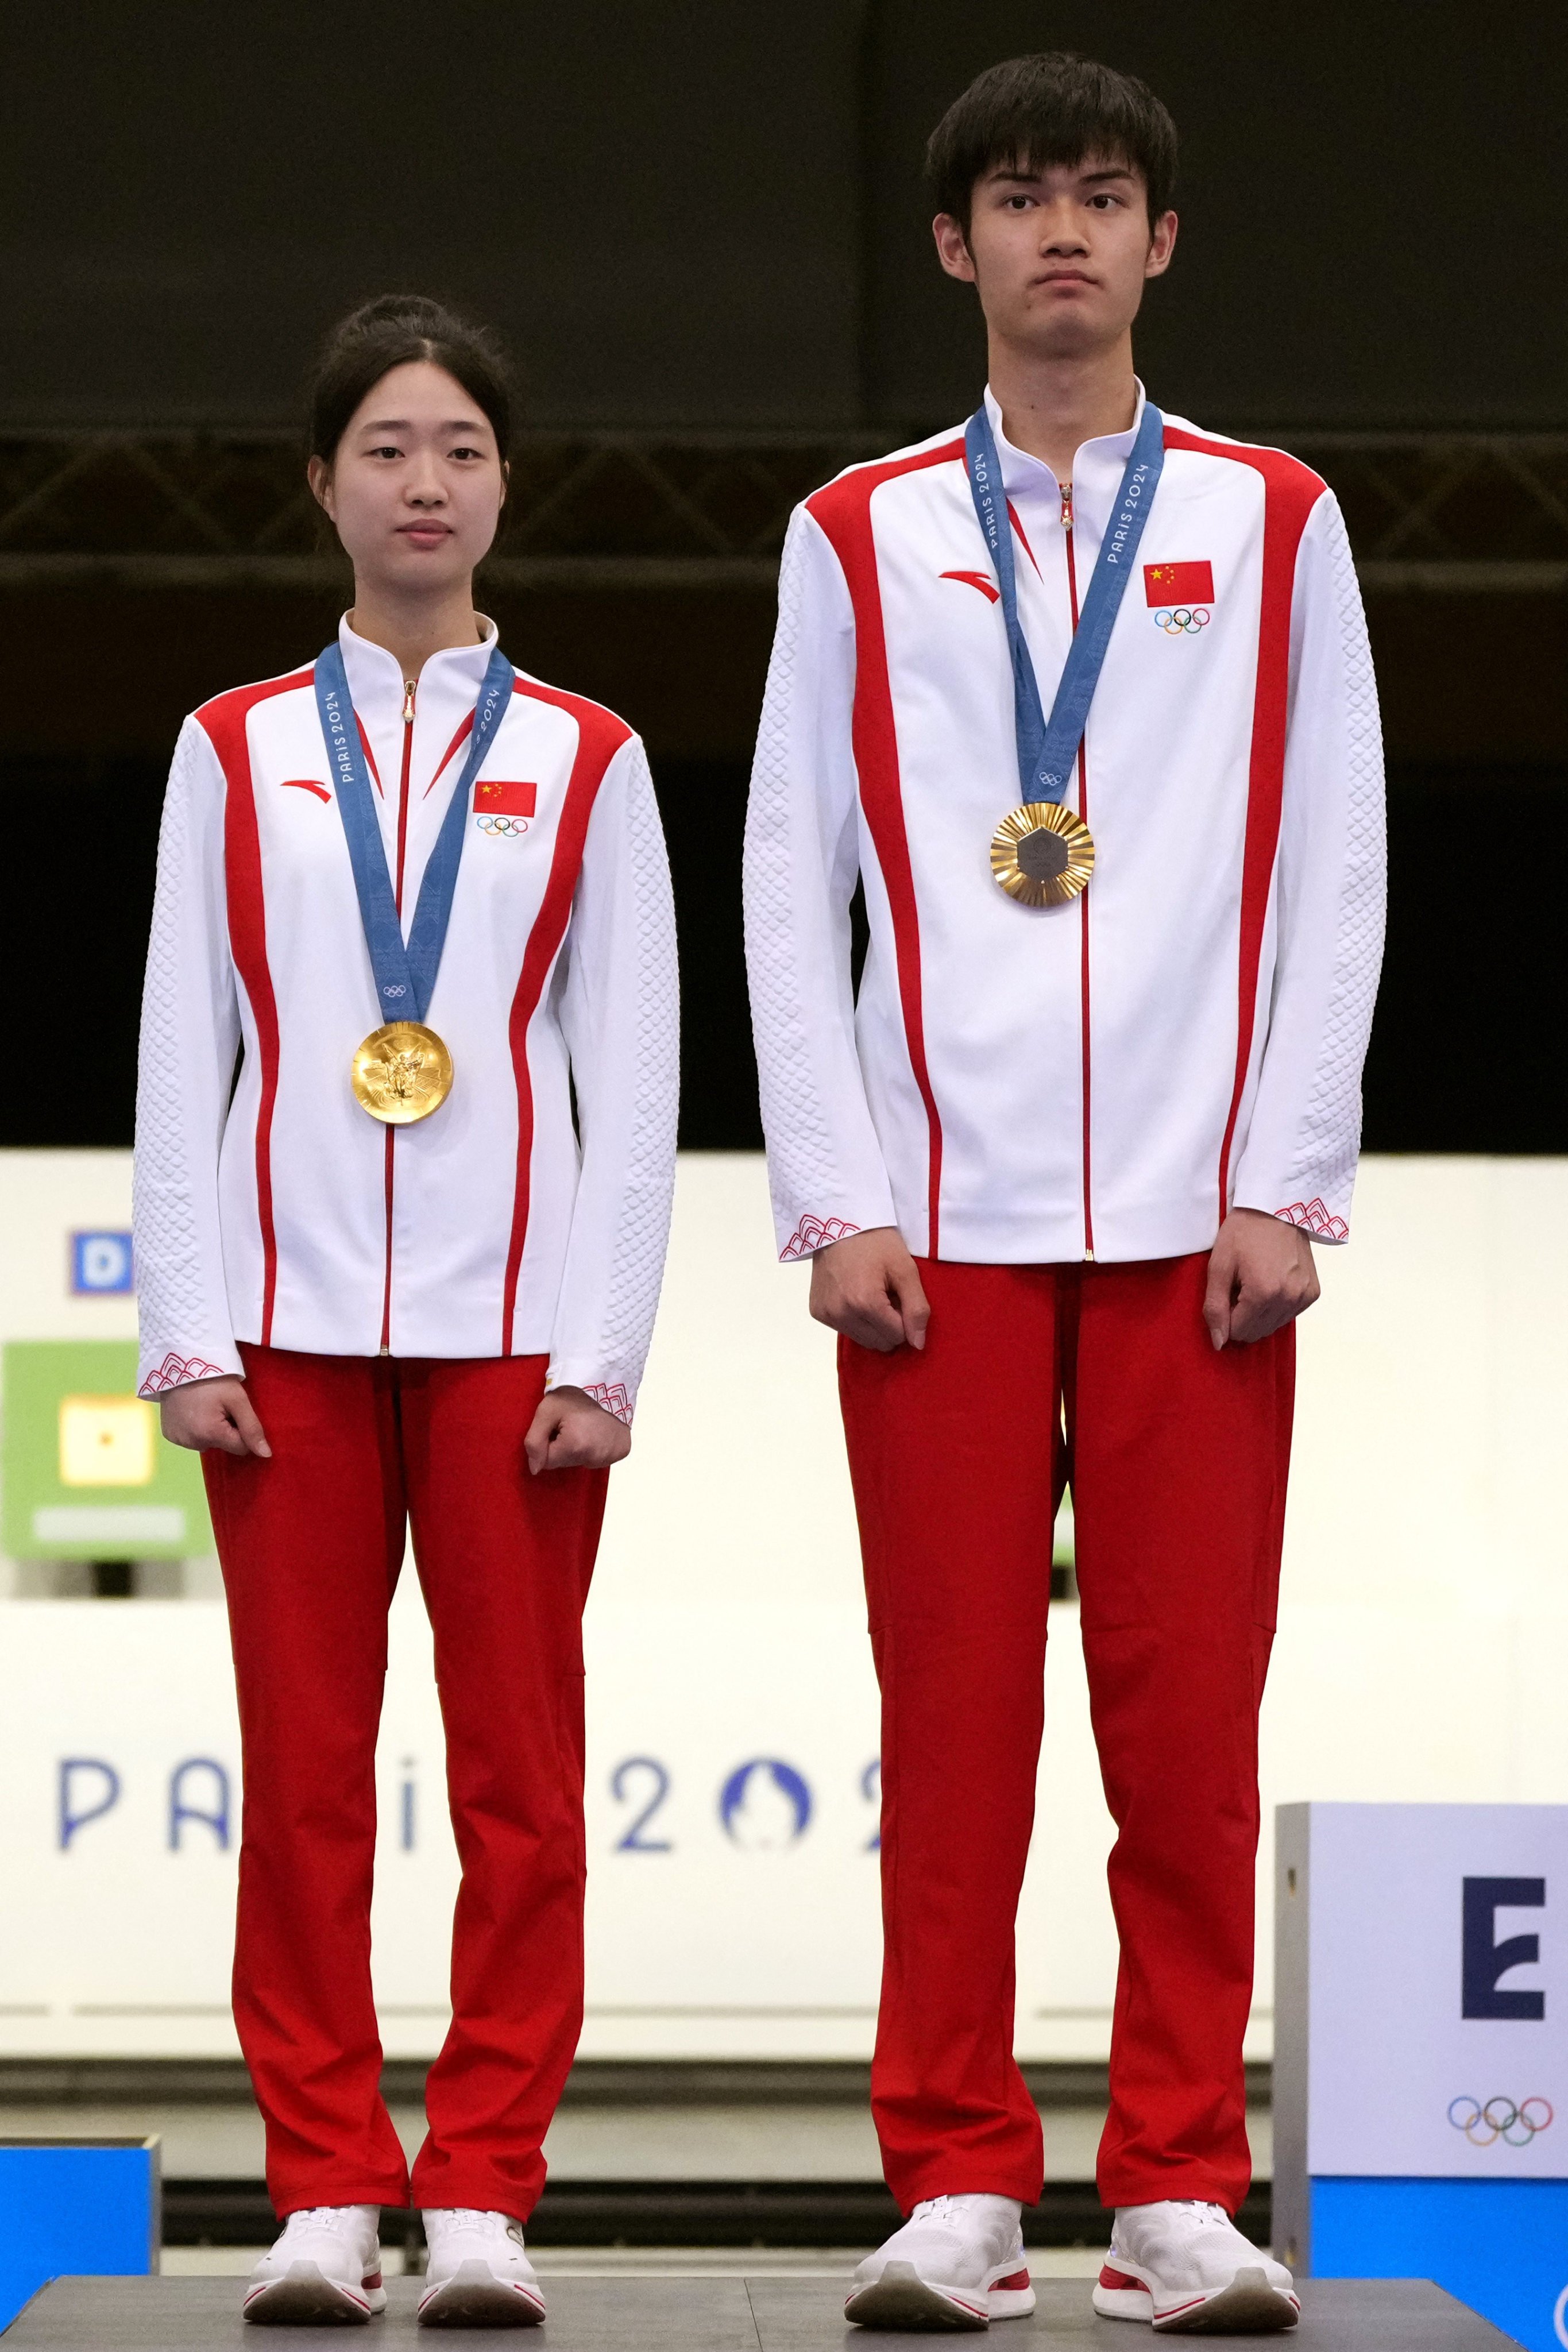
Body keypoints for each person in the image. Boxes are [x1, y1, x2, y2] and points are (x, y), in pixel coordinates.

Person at [744, 51, 1383, 2336]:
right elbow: (781, 874)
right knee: (951, 1714)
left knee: (1182, 1704)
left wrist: (1283, 1174)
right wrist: (829, 1194)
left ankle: (1179, 2173)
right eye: (1017, 201)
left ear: (1161, 243)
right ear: (952, 248)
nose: (1061, 238)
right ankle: (950, 2176)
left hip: (1193, 1221)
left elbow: (1332, 864)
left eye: (1102, 199)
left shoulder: (1272, 515)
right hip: (934, 1212)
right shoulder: (854, 533)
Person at [133, 295, 678, 2327]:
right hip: (280, 1331)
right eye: (386, 447)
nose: (423, 480)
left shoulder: (588, 757)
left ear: (505, 484)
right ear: (321, 485)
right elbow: (180, 1044)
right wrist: (185, 1333)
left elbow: (635, 1081)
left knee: (523, 1785)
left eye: (458, 446)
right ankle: (319, 2188)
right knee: (302, 1776)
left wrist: (605, 1352)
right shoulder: (234, 746)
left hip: (516, 1336)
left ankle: (483, 2198)